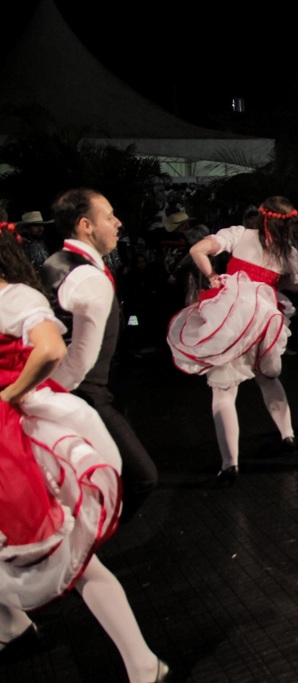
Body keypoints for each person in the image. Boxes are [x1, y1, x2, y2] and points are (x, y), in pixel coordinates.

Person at [0, 224, 168, 682]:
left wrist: (9, 393)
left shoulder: (12, 297)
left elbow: (52, 348)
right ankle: (12, 626)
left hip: (17, 435)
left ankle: (143, 663)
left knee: (67, 555)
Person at [167, 196, 298, 485]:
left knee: (224, 391)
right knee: (267, 378)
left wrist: (212, 276)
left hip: (230, 315)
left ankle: (230, 464)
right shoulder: (287, 252)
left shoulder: (239, 234)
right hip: (263, 317)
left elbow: (199, 250)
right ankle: (288, 435)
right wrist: (278, 282)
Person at [41, 189, 158, 521]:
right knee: (142, 477)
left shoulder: (57, 261)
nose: (118, 222)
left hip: (70, 391)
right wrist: (52, 403)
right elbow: (78, 364)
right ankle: (83, 547)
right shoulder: (89, 277)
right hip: (82, 394)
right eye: (109, 215)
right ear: (85, 225)